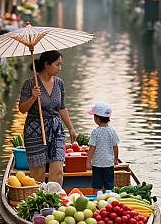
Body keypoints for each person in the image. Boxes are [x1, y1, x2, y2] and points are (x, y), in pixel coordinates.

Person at [19, 50, 76, 185]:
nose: (60, 68)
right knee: (37, 174)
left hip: (56, 130)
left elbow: (62, 107)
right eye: (57, 65)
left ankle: (54, 200)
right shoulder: (30, 84)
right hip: (35, 131)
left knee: (58, 171)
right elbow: (22, 109)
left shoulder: (59, 83)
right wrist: (33, 97)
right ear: (46, 64)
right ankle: (38, 201)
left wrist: (71, 129)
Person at [85, 102, 120, 192]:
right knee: (109, 185)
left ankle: (97, 200)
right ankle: (109, 199)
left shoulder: (95, 132)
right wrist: (116, 159)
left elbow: (92, 148)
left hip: (97, 164)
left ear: (97, 119)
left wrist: (88, 161)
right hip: (109, 163)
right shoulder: (112, 131)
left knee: (97, 185)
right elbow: (115, 146)